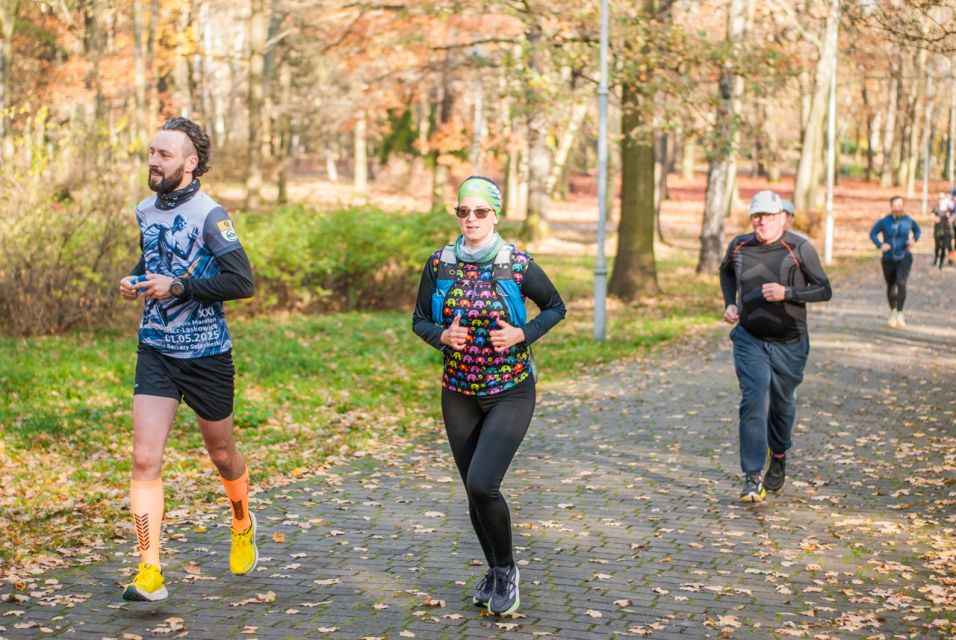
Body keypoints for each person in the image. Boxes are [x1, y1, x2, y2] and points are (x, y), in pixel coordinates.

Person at [412, 176, 566, 616]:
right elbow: (419, 320)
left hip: (510, 391)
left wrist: (523, 333)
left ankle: (507, 570)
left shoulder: (515, 263)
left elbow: (555, 307)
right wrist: (443, 335)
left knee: (484, 483)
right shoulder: (440, 263)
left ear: (495, 215)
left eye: (480, 212)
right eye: (464, 211)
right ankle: (497, 571)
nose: (471, 219)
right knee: (473, 490)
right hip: (458, 392)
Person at [117, 117, 257, 601]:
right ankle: (149, 569)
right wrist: (136, 279)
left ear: (191, 163)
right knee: (143, 457)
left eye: (165, 155)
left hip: (206, 355)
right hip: (155, 348)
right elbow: (154, 261)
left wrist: (177, 286)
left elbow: (242, 283)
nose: (154, 162)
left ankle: (241, 521)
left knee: (221, 454)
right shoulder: (144, 209)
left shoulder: (210, 215)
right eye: (152, 152)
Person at [720, 190, 832, 503]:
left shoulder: (799, 247)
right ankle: (752, 476)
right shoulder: (739, 245)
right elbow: (726, 272)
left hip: (790, 341)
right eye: (757, 216)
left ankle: (779, 455)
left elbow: (824, 289)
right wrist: (730, 303)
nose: (762, 222)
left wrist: (788, 292)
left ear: (781, 217)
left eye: (768, 216)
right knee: (754, 398)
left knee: (782, 406)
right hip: (750, 337)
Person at [869, 195, 920, 328]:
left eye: (900, 205)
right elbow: (872, 233)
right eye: (895, 205)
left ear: (903, 206)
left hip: (904, 257)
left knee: (901, 282)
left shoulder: (908, 220)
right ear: (891, 206)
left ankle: (900, 312)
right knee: (891, 285)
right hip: (888, 259)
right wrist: (880, 245)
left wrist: (914, 240)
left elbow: (917, 230)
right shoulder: (885, 221)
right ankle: (893, 311)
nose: (898, 208)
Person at [932, 193, 953, 270]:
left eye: (942, 199)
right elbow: (931, 217)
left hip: (946, 231)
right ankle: (935, 260)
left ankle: (941, 264)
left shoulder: (948, 210)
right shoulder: (936, 208)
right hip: (937, 230)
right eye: (940, 198)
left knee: (944, 247)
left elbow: (951, 220)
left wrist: (950, 218)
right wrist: (935, 218)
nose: (941, 200)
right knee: (937, 247)